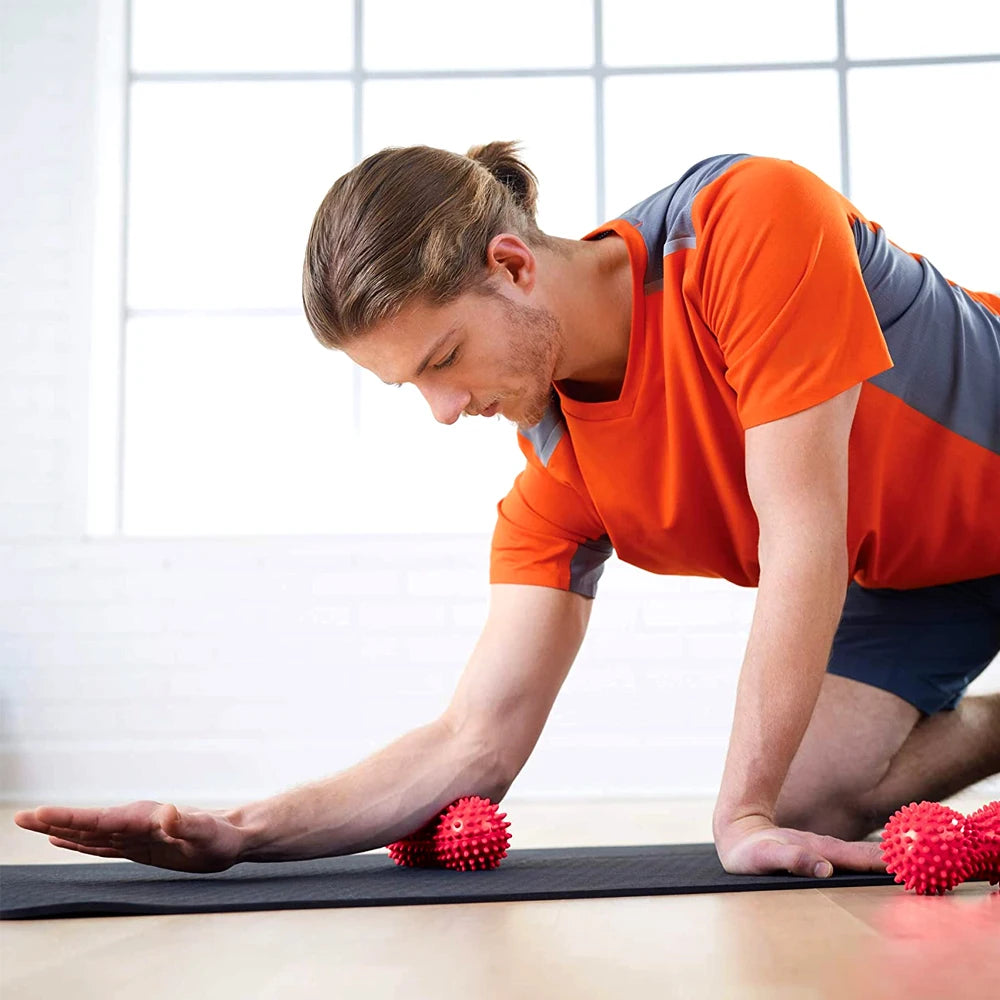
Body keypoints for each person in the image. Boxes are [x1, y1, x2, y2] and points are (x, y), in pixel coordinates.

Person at [16, 143, 1000, 881]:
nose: (444, 412)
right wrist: (240, 831)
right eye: (413, 388)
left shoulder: (742, 221)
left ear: (513, 265)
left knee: (761, 806)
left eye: (442, 360)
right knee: (808, 800)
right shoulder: (557, 476)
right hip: (927, 567)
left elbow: (801, 538)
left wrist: (735, 814)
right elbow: (471, 742)